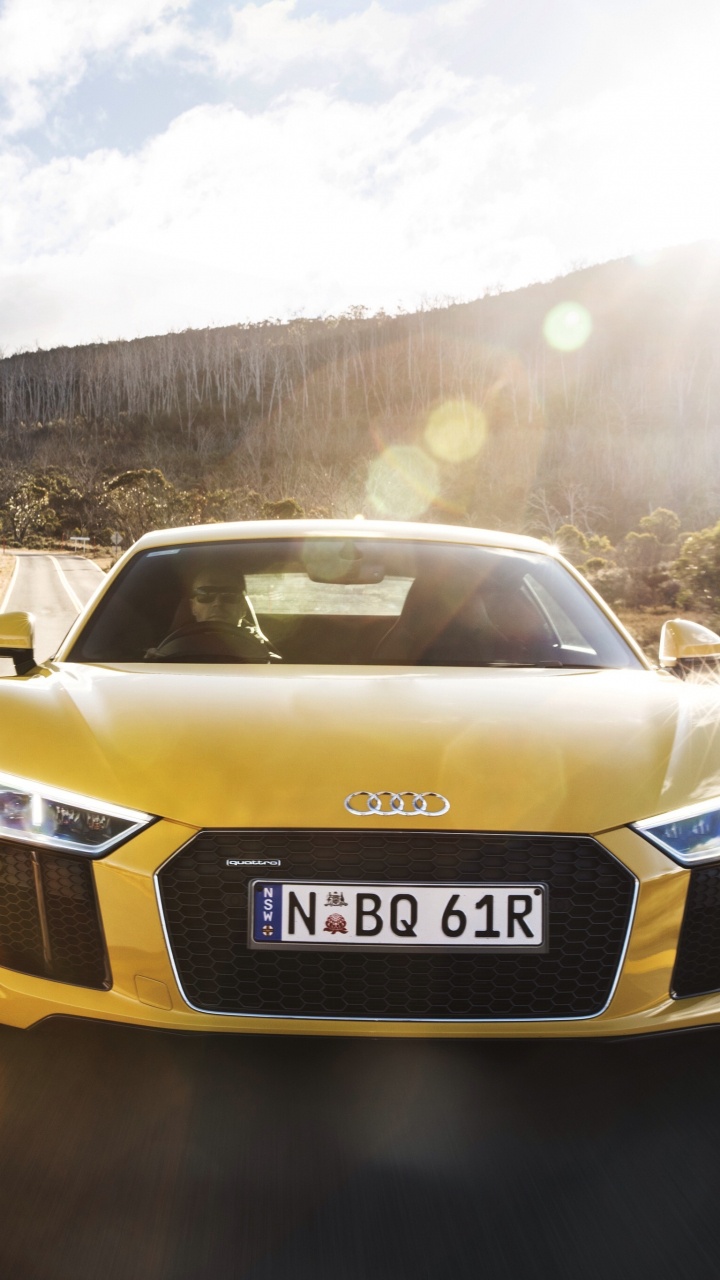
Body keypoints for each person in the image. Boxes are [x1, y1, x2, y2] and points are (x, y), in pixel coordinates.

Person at [146, 568, 280, 662]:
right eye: (206, 595)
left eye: (229, 596)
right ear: (193, 607)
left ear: (243, 608)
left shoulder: (261, 650)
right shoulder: (167, 651)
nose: (217, 603)